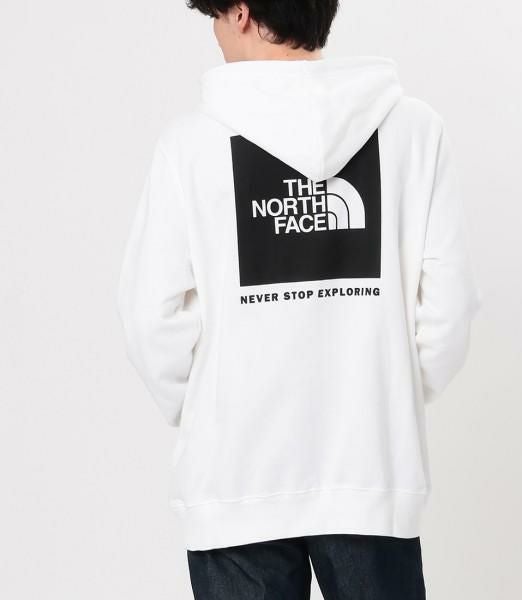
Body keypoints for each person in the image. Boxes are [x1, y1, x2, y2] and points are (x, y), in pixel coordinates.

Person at [116, 1, 483, 598]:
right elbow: (449, 310)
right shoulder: (415, 131)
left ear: (240, 12)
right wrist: (382, 393)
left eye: (214, 17)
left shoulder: (189, 146)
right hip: (370, 474)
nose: (215, 34)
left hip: (234, 482)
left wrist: (214, 404)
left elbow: (149, 319)